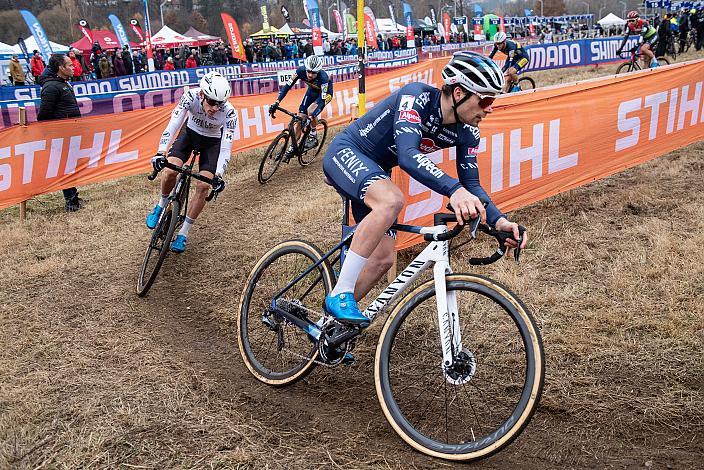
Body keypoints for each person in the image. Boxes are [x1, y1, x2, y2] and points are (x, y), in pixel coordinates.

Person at [320, 51, 527, 326]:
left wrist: (499, 220)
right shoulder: (416, 97)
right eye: (485, 100)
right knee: (392, 199)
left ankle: (329, 328)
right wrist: (453, 190)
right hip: (347, 151)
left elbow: (472, 184)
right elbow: (407, 155)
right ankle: (341, 293)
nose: (489, 108)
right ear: (458, 93)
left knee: (382, 259)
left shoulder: (468, 131)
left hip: (376, 170)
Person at [146, 72, 236, 253]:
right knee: (171, 171)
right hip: (190, 134)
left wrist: (219, 174)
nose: (215, 108)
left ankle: (183, 233)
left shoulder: (230, 112)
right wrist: (160, 152)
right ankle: (161, 205)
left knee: (204, 186)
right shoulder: (190, 97)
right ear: (202, 94)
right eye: (211, 102)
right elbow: (174, 123)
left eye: (220, 104)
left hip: (212, 142)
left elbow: (226, 146)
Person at [37, 53, 84, 212]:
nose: (73, 67)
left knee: (70, 166)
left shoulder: (63, 83)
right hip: (60, 134)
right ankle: (70, 201)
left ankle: (74, 196)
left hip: (69, 132)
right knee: (64, 167)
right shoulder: (51, 87)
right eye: (70, 65)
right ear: (60, 68)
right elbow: (44, 114)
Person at [269, 54, 333, 155]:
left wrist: (312, 116)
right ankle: (293, 147)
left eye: (314, 73)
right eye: (309, 71)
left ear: (319, 71)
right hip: (312, 91)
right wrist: (277, 102)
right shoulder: (300, 71)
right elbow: (287, 86)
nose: (310, 75)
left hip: (324, 95)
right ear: (305, 68)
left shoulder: (323, 78)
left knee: (311, 111)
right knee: (299, 119)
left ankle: (313, 135)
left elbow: (322, 98)